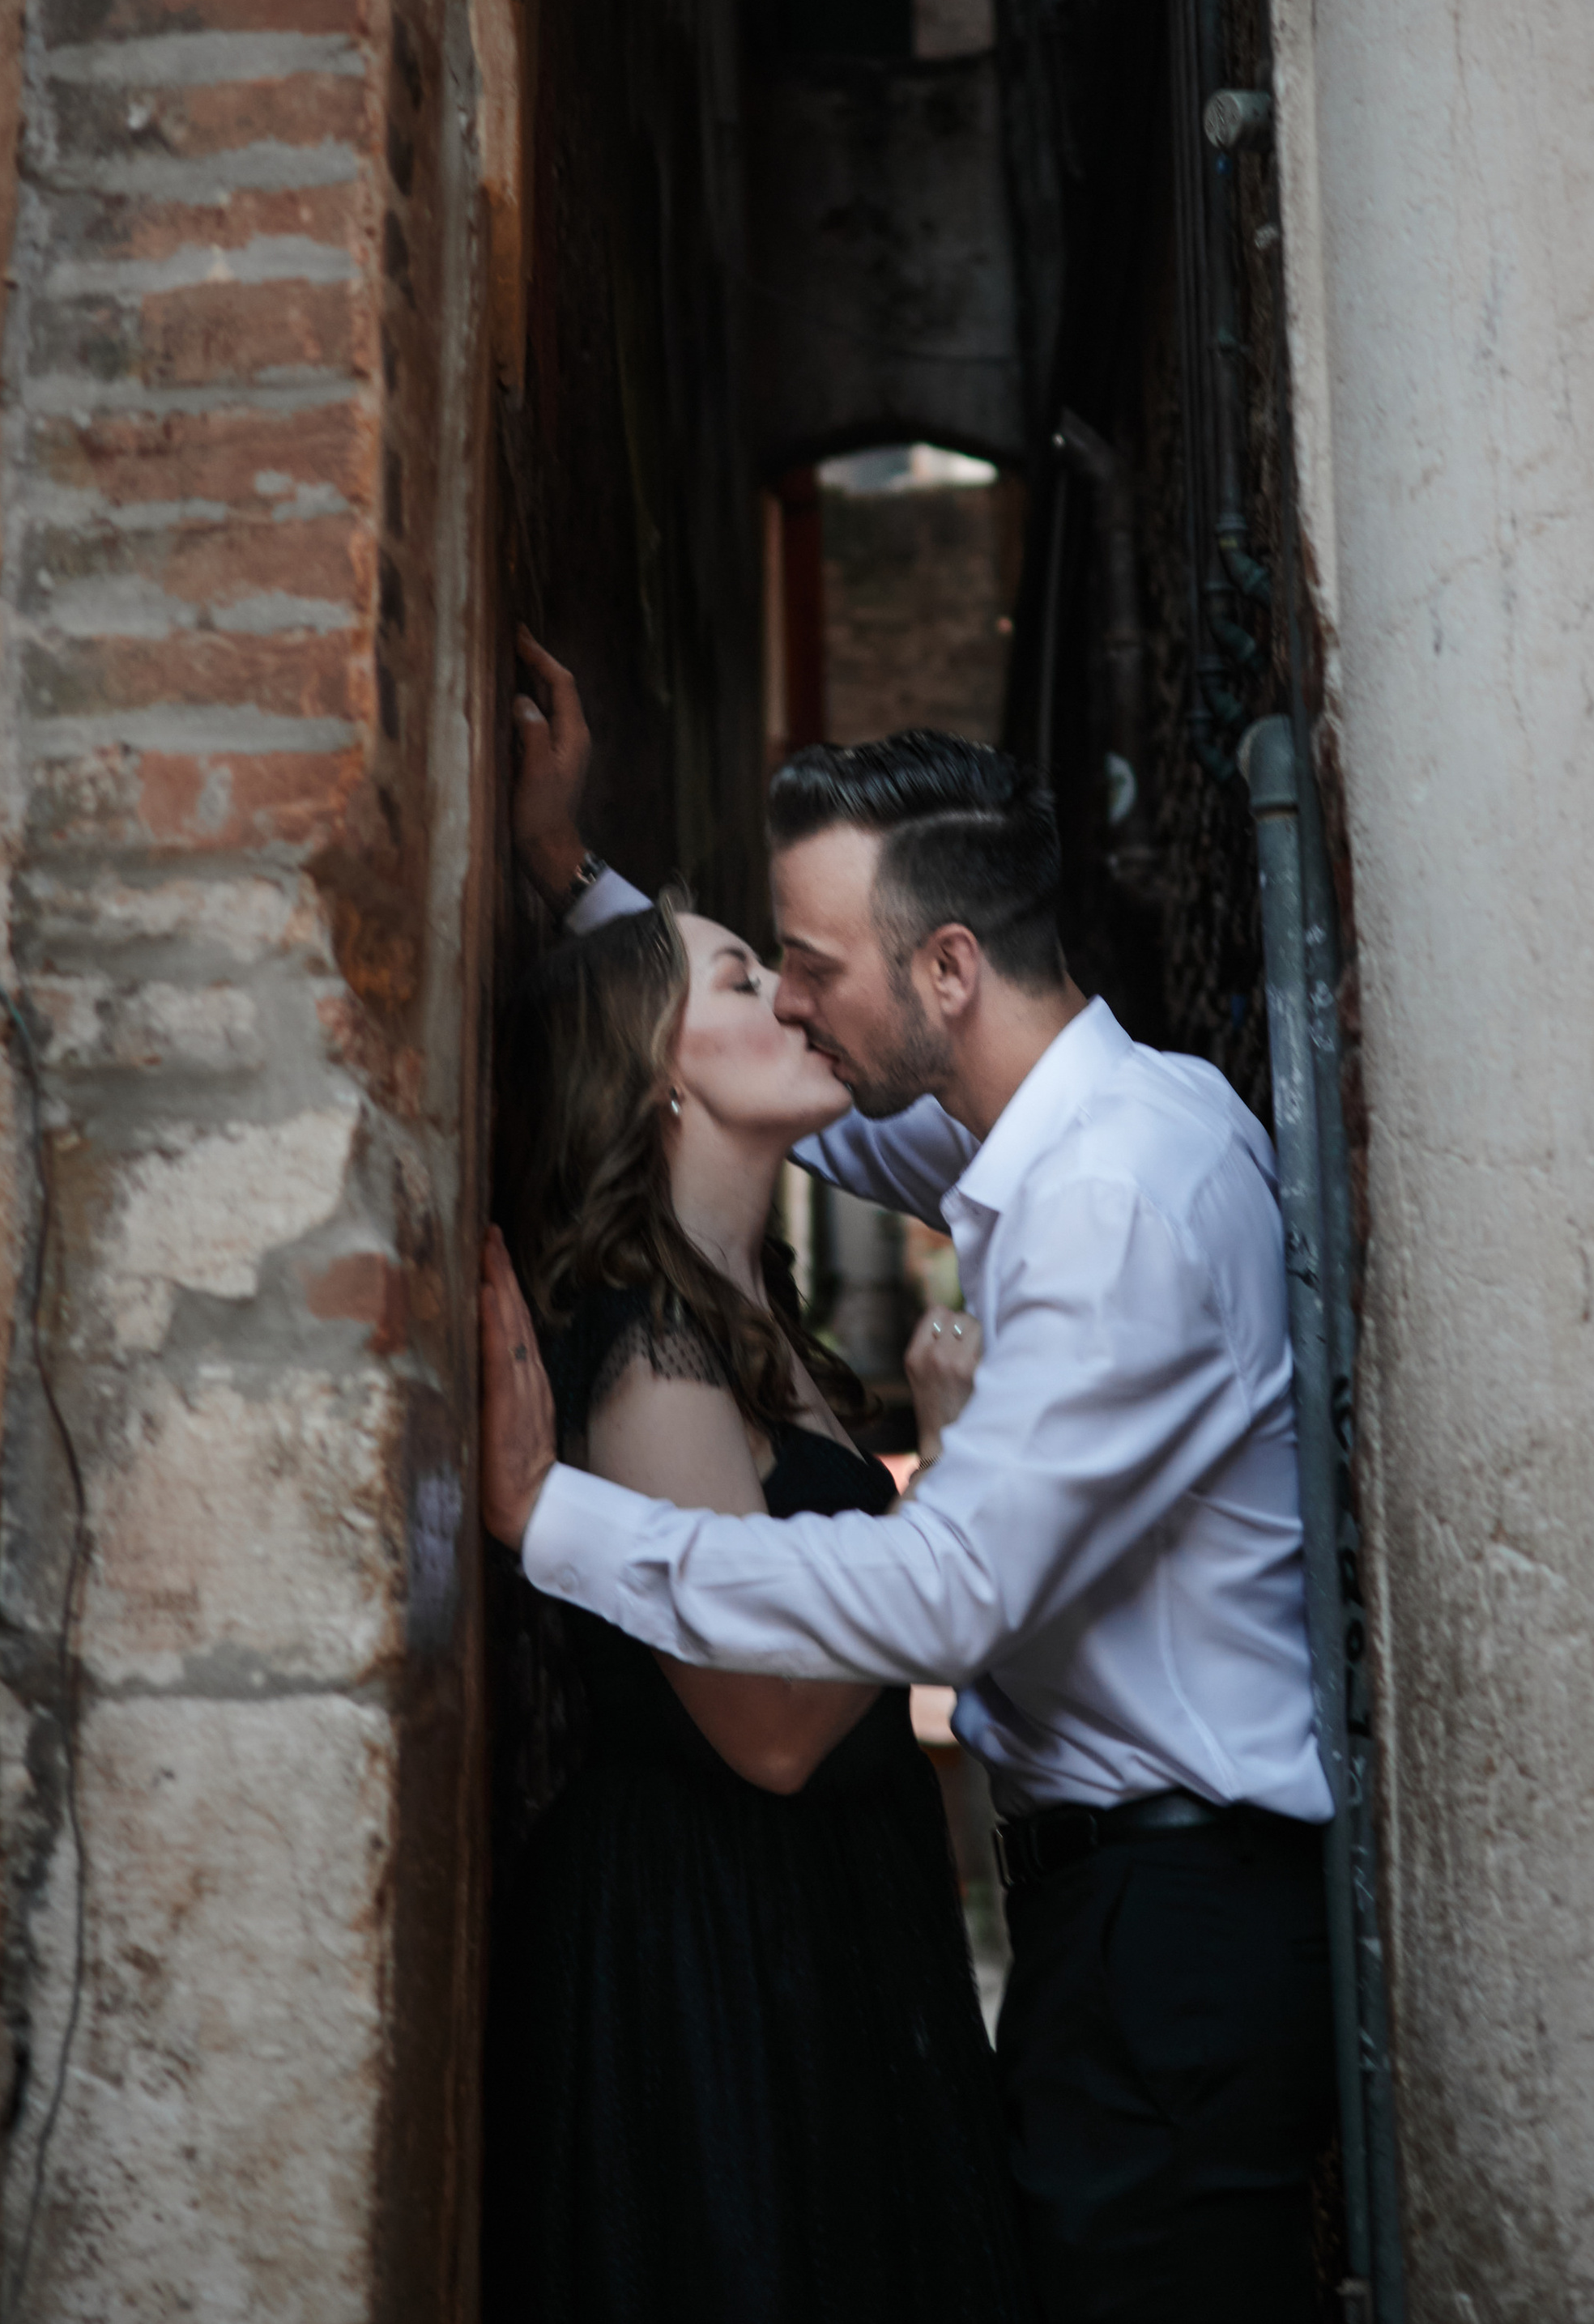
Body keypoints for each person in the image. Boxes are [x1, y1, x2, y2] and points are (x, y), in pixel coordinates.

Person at [484, 630, 1339, 2322]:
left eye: (804, 963)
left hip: (1174, 1916)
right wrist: (571, 878)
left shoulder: (1116, 1195)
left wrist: (546, 1516)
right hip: (1125, 1918)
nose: (791, 997)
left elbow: (943, 1590)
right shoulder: (1074, 1125)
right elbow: (800, 1099)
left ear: (944, 967)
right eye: (761, 973)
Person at [482, 885, 1036, 2324]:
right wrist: (955, 1474)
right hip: (721, 1947)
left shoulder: (750, 1310)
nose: (791, 1000)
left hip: (821, 1913)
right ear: (656, 1069)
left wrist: (569, 848)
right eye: (741, 980)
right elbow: (770, 1725)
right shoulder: (652, 1344)